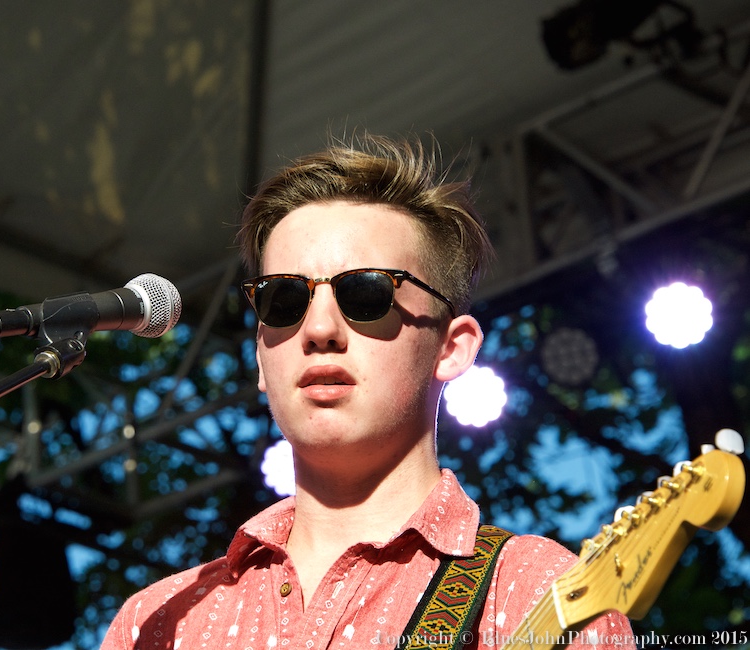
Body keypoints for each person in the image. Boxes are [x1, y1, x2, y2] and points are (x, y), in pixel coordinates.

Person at [100, 135, 635, 649]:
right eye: (283, 300)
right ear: (261, 356)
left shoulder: (533, 594)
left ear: (452, 348)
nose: (318, 329)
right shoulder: (158, 622)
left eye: (366, 291)